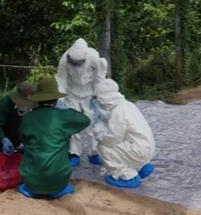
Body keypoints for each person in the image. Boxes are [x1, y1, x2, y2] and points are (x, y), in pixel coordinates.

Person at [17, 76, 90, 199]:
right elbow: (85, 120)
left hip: (31, 179)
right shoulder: (64, 116)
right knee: (64, 185)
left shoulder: (27, 118)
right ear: (56, 100)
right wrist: (67, 110)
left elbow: (22, 138)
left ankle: (34, 189)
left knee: (26, 179)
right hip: (58, 179)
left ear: (38, 99)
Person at [92, 79, 156, 188]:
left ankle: (128, 177)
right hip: (146, 148)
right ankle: (143, 166)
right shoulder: (127, 105)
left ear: (103, 98)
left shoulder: (118, 112)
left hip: (138, 150)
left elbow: (112, 139)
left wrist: (99, 133)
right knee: (124, 142)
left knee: (103, 147)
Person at [56, 38, 108, 167]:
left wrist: (98, 95)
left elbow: (99, 78)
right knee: (72, 124)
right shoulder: (64, 59)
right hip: (72, 93)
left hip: (89, 94)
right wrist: (60, 99)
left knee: (94, 124)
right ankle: (74, 153)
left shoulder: (95, 58)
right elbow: (61, 79)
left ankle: (95, 153)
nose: (76, 65)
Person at [0, 82, 37, 155]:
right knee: (2, 156)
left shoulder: (34, 107)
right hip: (3, 133)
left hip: (18, 134)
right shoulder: (5, 103)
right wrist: (3, 140)